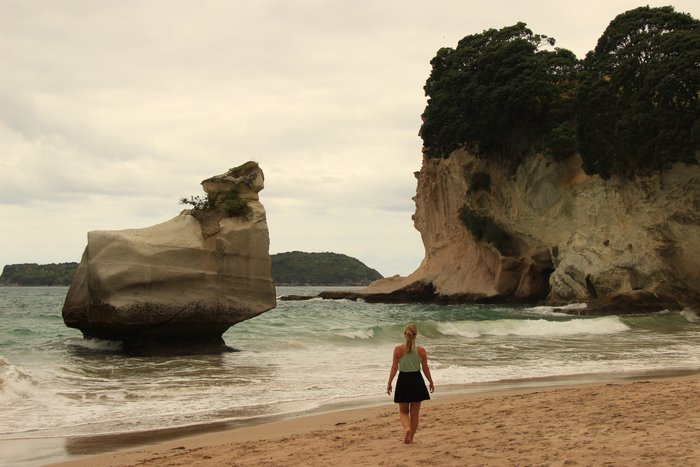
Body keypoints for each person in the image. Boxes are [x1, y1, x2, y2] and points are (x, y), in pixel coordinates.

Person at [386, 323, 434, 444]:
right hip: (417, 381)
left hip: (403, 381)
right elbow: (425, 369)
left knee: (403, 412)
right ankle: (411, 437)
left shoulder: (398, 350)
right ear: (415, 336)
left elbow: (394, 368)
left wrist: (389, 382)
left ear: (404, 335)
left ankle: (407, 428)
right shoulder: (421, 351)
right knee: (415, 414)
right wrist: (431, 382)